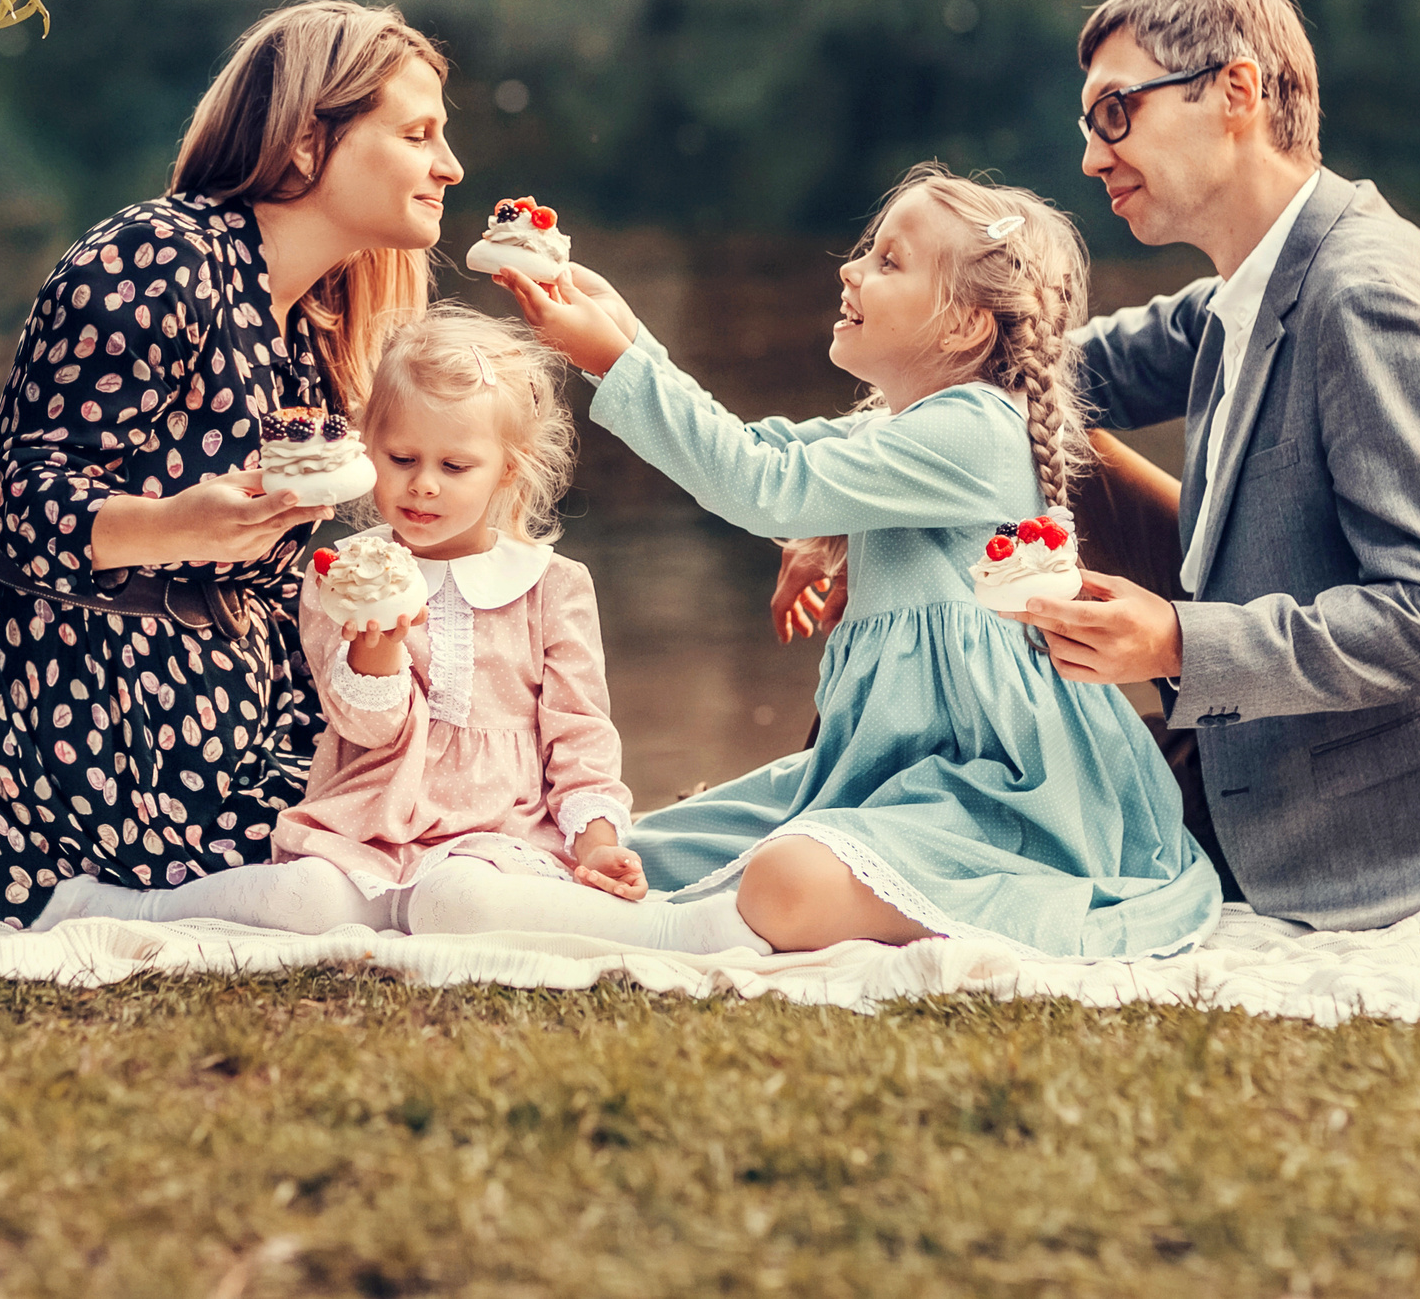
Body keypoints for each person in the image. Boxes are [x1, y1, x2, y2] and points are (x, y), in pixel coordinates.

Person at [493, 165, 1223, 958]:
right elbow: (764, 451)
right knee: (645, 849)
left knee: (786, 880)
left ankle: (689, 929)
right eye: (869, 251)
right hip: (881, 775)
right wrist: (630, 336)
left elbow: (765, 487)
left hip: (1001, 792)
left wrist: (613, 362)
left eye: (889, 262)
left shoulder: (975, 430)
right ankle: (641, 901)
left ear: (963, 328)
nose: (852, 269)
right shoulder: (910, 426)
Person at [0, 0, 462, 921]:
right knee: (378, 887)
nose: (448, 166)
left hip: (208, 717)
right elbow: (20, 511)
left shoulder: (312, 322)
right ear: (305, 144)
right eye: (418, 136)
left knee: (458, 822)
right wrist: (186, 523)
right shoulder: (154, 259)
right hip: (44, 746)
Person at [1011, 0, 1420, 931]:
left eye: (1115, 111)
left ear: (1236, 92)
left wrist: (1171, 640)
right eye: (1088, 123)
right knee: (1015, 428)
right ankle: (897, 791)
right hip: (1252, 754)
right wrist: (848, 488)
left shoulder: (1366, 295)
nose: (1090, 155)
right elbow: (1038, 369)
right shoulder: (1248, 286)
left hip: (1362, 837)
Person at [36, 307, 766, 948]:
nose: (423, 484)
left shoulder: (553, 586)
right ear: (366, 452)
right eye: (402, 458)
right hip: (371, 819)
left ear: (506, 473)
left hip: (498, 830)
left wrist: (598, 841)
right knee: (306, 898)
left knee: (459, 900)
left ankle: (673, 929)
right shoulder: (338, 572)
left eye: (455, 465)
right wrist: (378, 642)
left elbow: (579, 736)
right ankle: (129, 908)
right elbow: (365, 728)